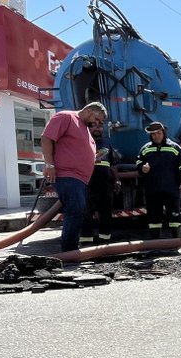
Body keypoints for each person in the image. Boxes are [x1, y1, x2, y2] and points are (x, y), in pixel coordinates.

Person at [41, 102, 107, 251]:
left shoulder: (83, 128)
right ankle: (69, 251)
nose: (97, 123)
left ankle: (70, 250)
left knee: (77, 211)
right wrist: (50, 165)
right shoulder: (67, 117)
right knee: (75, 210)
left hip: (79, 180)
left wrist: (92, 158)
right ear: (90, 110)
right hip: (68, 176)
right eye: (97, 118)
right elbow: (46, 138)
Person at [136, 122, 181, 239]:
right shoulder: (145, 149)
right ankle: (155, 242)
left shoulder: (174, 148)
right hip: (153, 189)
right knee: (154, 217)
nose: (156, 136)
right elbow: (139, 161)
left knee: (174, 216)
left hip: (172, 189)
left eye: (158, 133)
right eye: (153, 134)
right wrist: (142, 168)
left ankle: (175, 241)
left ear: (164, 132)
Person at [80, 119, 120, 245]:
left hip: (105, 185)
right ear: (88, 128)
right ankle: (86, 243)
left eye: (100, 126)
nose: (97, 128)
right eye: (93, 125)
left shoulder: (107, 144)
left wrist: (117, 180)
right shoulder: (81, 143)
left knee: (106, 214)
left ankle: (105, 241)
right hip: (86, 185)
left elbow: (113, 164)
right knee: (85, 215)